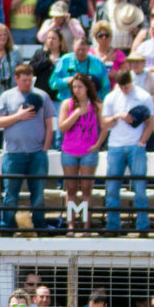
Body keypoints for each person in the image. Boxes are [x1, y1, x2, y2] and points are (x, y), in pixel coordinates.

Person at [0, 63, 55, 232]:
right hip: (13, 154)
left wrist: (45, 149)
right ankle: (7, 227)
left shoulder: (42, 96)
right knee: (11, 195)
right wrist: (18, 116)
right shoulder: (6, 96)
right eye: (24, 80)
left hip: (37, 153)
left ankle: (39, 225)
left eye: (30, 80)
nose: (28, 83)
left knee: (39, 194)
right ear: (16, 79)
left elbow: (49, 125)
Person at [102, 68, 154, 233]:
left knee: (140, 189)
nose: (126, 89)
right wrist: (117, 116)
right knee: (111, 189)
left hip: (135, 147)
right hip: (115, 146)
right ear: (118, 84)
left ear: (132, 80)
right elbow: (105, 123)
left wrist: (141, 142)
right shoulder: (111, 97)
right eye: (123, 87)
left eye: (128, 86)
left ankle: (143, 227)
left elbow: (150, 123)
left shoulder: (144, 96)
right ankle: (113, 226)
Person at [58, 72, 107, 235]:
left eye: (80, 86)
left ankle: (86, 225)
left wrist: (98, 144)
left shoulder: (97, 105)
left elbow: (104, 126)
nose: (77, 90)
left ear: (87, 87)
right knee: (71, 189)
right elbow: (62, 127)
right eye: (74, 87)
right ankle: (71, 225)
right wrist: (78, 113)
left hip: (88, 151)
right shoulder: (68, 104)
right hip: (69, 151)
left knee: (87, 188)